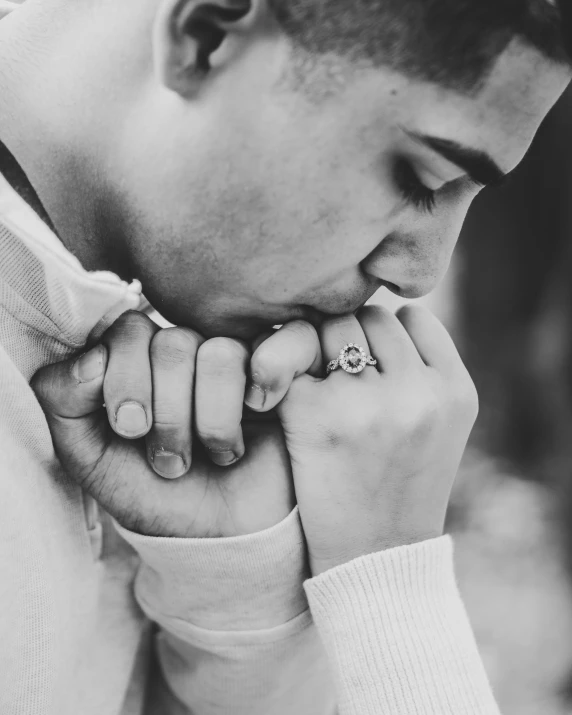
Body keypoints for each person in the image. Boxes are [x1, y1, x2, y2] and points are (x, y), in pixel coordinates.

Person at [0, 0, 570, 713]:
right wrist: (388, 589)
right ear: (204, 37)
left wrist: (243, 613)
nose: (422, 273)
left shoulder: (182, 383)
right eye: (418, 180)